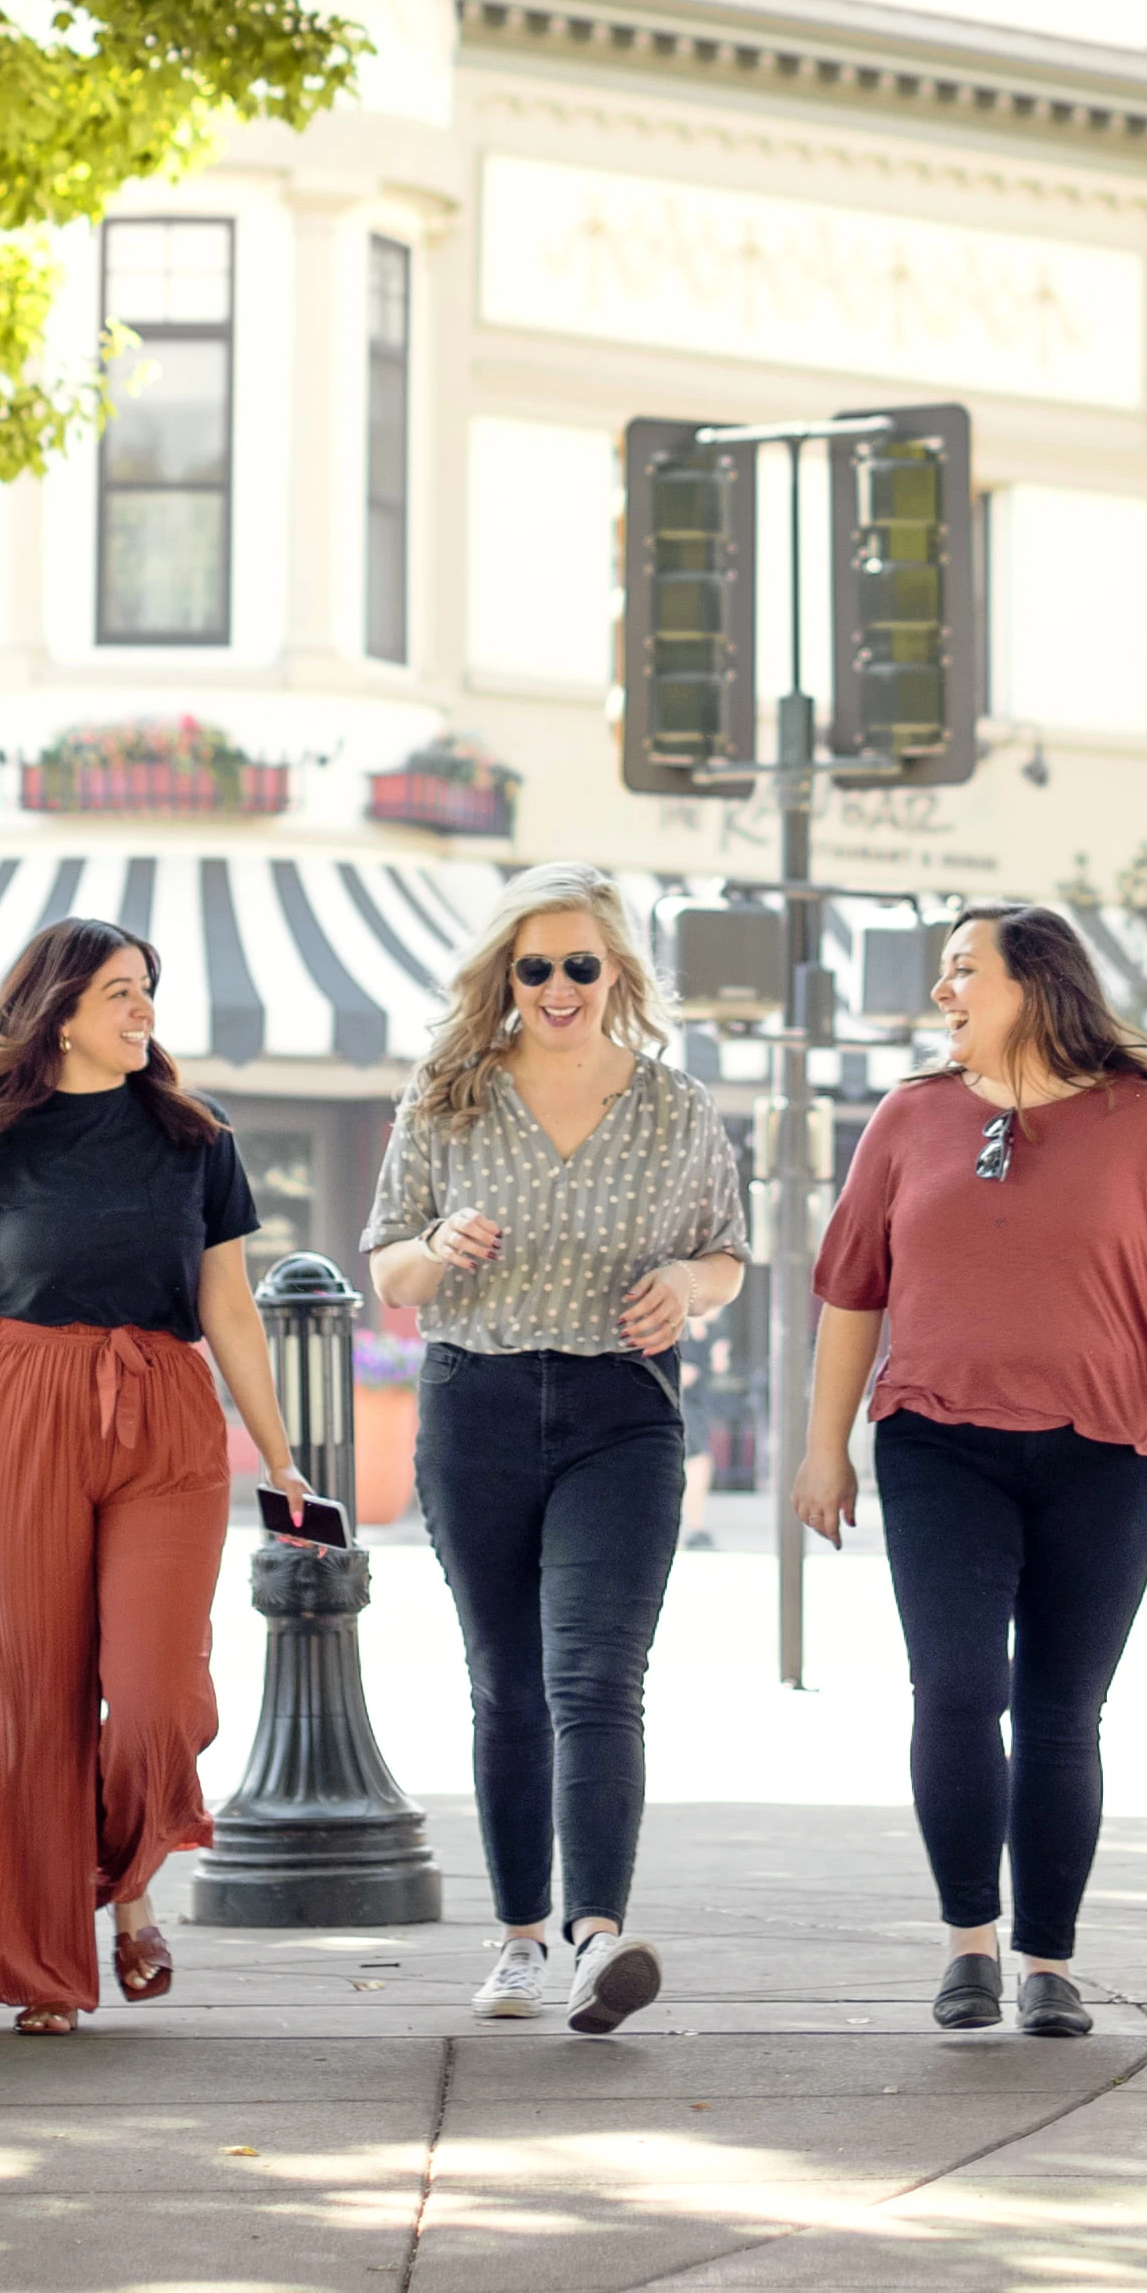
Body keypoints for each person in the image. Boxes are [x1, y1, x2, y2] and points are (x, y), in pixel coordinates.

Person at [794, 900, 1147, 2040]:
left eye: (963, 970)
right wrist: (823, 1444)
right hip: (938, 1442)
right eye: (944, 972)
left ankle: (1048, 1959)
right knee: (956, 1686)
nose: (944, 990)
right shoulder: (907, 1119)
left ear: (1034, 983)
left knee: (1059, 1712)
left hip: (1106, 1451)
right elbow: (853, 1291)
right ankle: (968, 1944)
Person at [0, 916, 319, 2035]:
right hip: (20, 1405)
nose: (143, 1011)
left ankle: (122, 1879)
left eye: (147, 990)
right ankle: (55, 1962)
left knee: (156, 1699)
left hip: (163, 1411)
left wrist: (280, 1457)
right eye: (122, 991)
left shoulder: (193, 1135)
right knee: (26, 1700)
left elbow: (228, 1303)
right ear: (59, 1009)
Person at [367, 861, 750, 2032]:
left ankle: (596, 1937)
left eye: (580, 964)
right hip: (475, 1404)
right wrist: (437, 1241)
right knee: (507, 1685)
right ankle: (522, 1934)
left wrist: (686, 1283)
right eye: (534, 966)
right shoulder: (447, 1093)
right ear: (506, 976)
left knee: (593, 1675)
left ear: (615, 971)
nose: (557, 986)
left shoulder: (673, 1107)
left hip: (618, 1414)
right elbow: (387, 1268)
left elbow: (725, 1255)